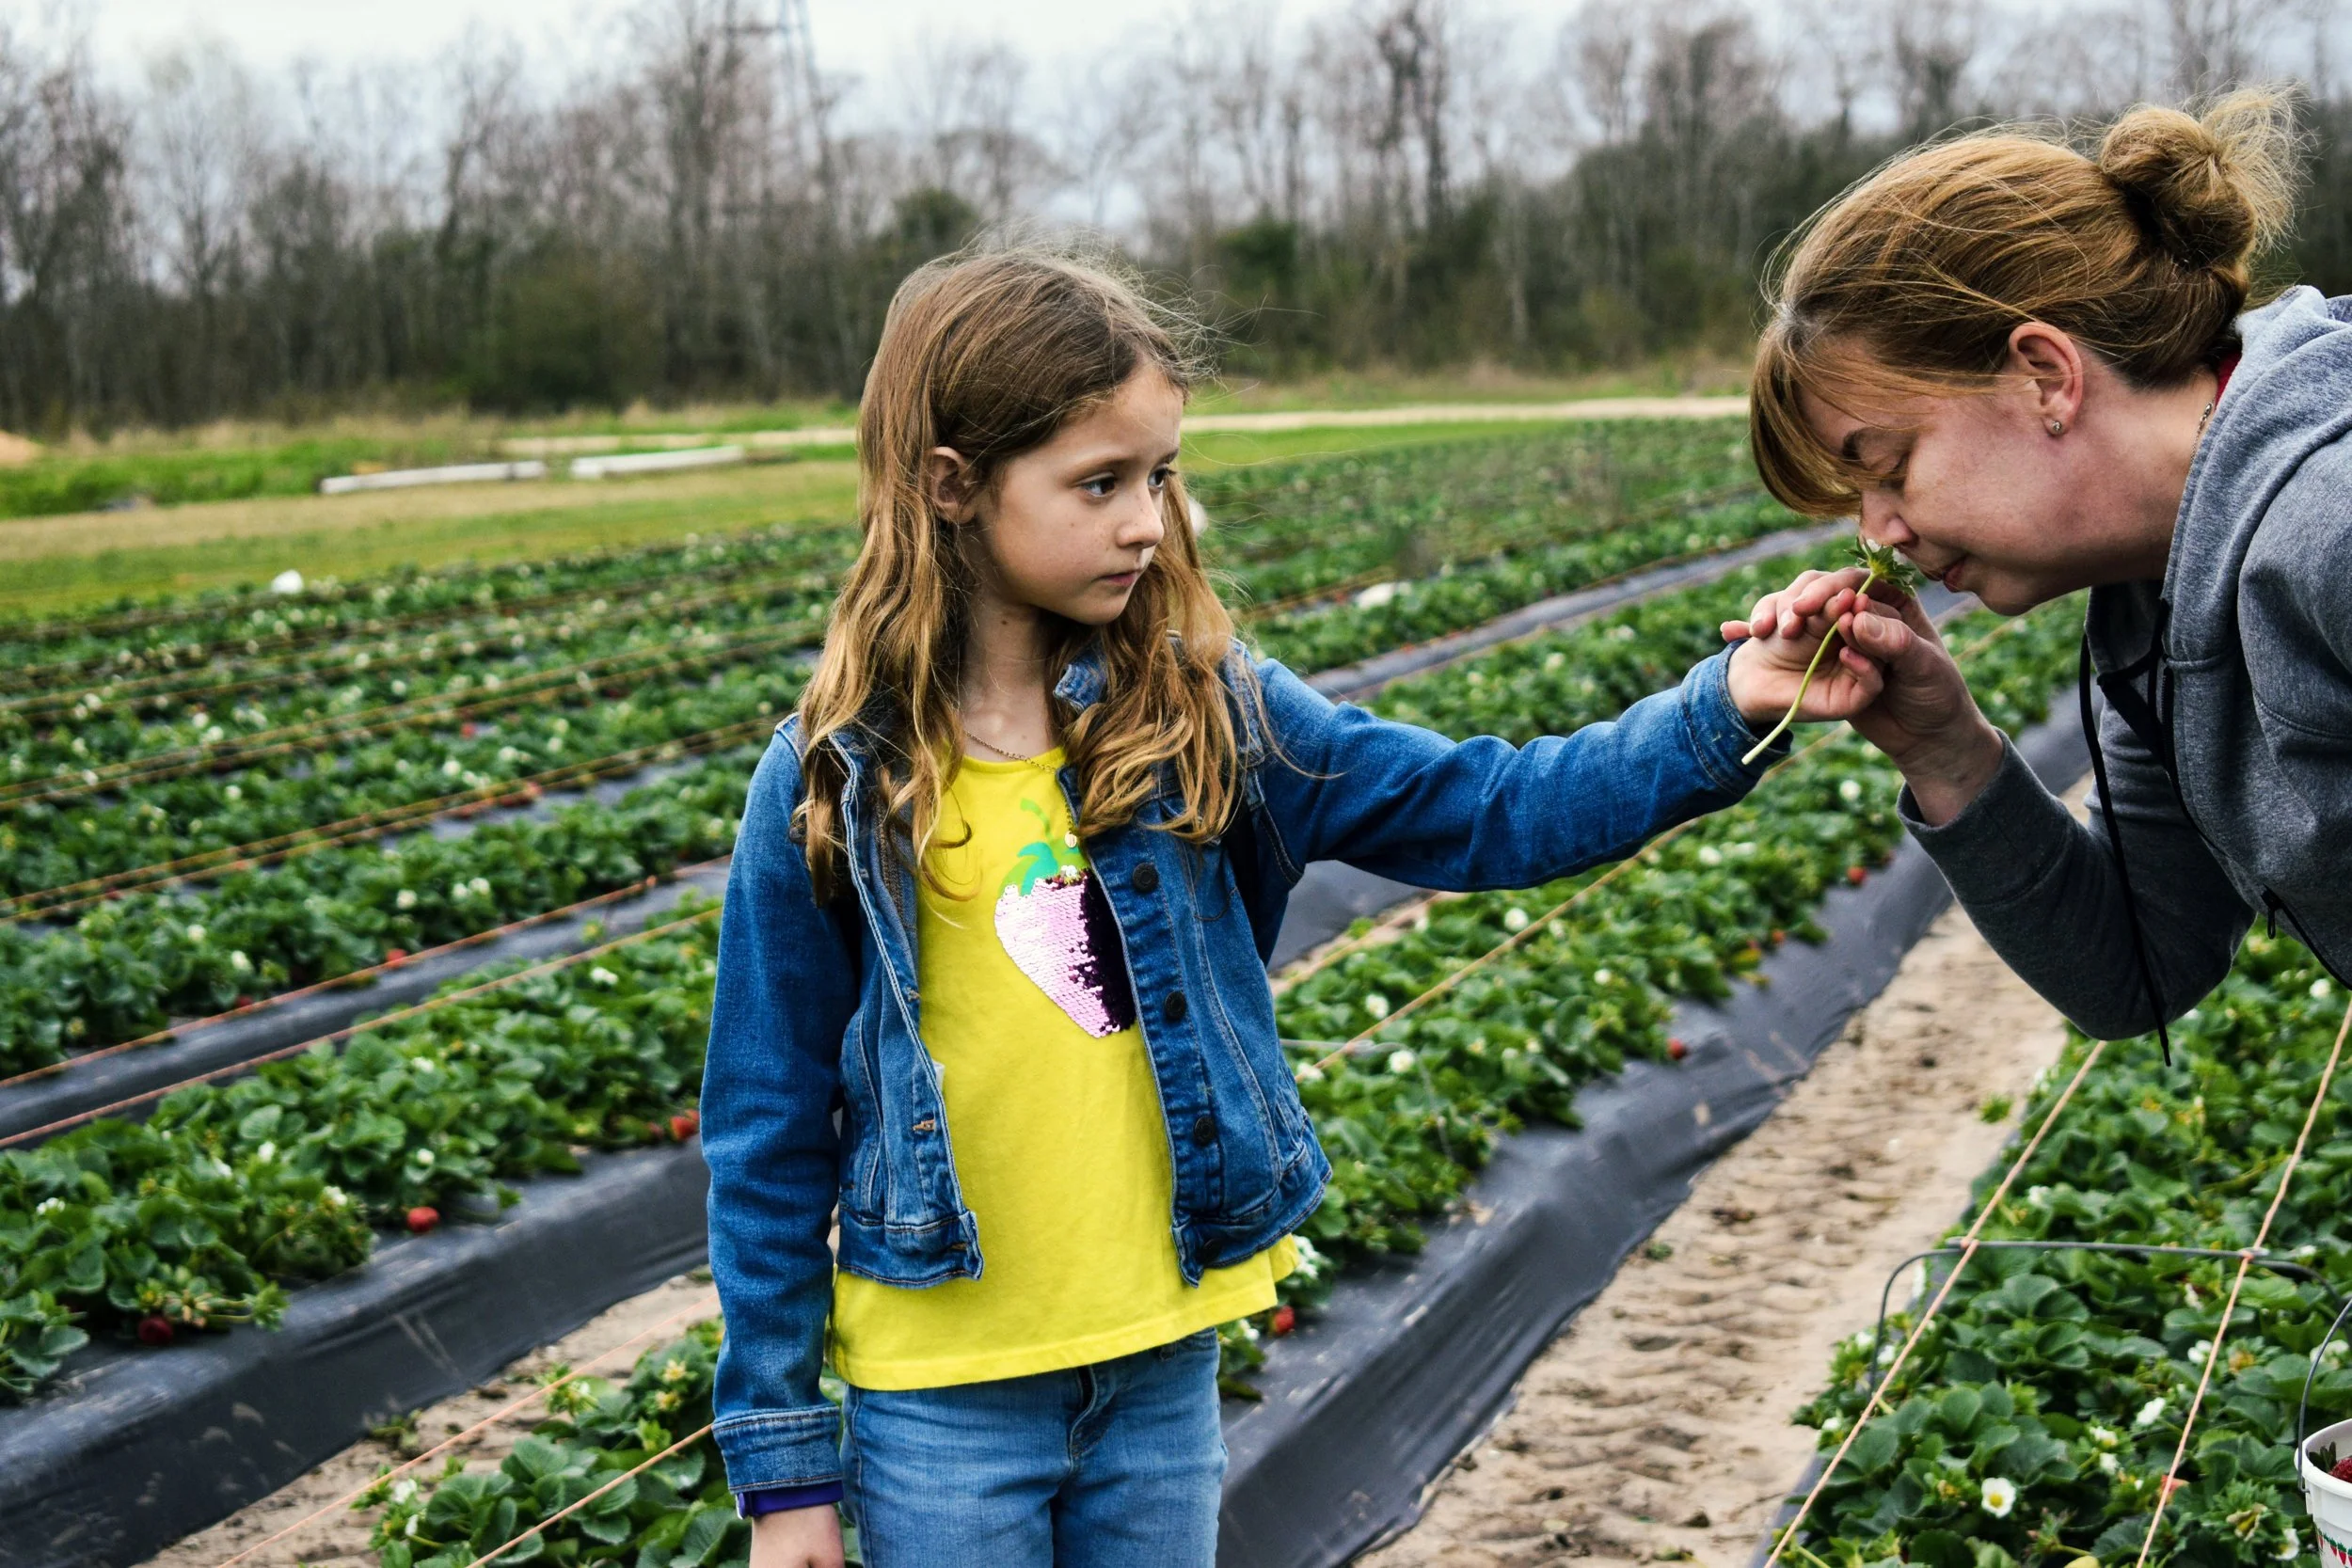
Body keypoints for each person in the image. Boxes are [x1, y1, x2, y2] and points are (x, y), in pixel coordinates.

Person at [703, 244, 1867, 1568]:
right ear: (951, 484)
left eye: (1159, 475)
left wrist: (1729, 704)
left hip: (1159, 1373)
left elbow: (1490, 807)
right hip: (941, 1403)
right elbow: (765, 1124)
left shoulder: (1206, 714)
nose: (1147, 522)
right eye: (1099, 482)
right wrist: (785, 1470)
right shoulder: (838, 779)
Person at [1730, 90, 2350, 1047]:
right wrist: (1946, 750)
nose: (1880, 533)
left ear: (2046, 376)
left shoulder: (2329, 525)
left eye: (1889, 466)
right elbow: (2139, 964)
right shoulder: (2153, 595)